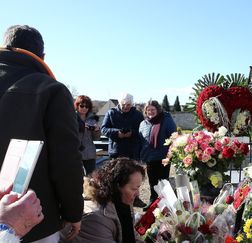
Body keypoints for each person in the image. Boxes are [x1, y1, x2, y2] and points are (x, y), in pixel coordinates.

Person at [0, 25, 83, 242]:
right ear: (42, 56)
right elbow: (66, 160)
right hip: (34, 221)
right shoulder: (51, 89)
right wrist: (73, 212)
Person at [60, 158, 146, 243]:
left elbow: (133, 237)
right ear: (117, 187)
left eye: (138, 188)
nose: (138, 194)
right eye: (134, 189)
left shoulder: (121, 202)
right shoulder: (95, 217)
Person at [139, 100, 176, 203]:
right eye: (148, 110)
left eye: (153, 109)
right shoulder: (143, 123)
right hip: (149, 157)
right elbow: (141, 140)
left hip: (163, 157)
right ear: (145, 112)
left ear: (158, 110)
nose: (150, 112)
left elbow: (174, 136)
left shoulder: (166, 120)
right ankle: (153, 203)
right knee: (152, 183)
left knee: (164, 183)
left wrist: (170, 154)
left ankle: (167, 203)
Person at [101, 93, 144, 160]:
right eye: (123, 104)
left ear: (132, 104)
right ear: (119, 103)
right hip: (116, 152)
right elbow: (103, 129)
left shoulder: (138, 115)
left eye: (128, 105)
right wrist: (117, 133)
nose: (126, 107)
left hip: (133, 152)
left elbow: (142, 132)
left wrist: (131, 133)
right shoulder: (111, 113)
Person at [75, 95, 101, 176]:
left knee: (91, 178)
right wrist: (81, 127)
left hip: (89, 153)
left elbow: (96, 138)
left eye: (87, 106)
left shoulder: (93, 119)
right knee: (77, 177)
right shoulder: (71, 118)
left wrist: (97, 130)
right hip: (76, 152)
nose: (84, 108)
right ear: (77, 106)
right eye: (82, 106)